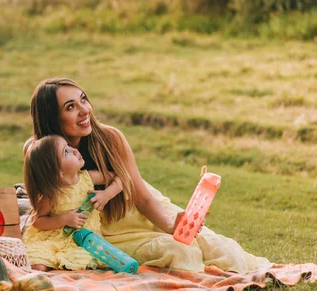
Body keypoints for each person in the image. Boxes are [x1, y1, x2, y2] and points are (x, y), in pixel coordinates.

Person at [24, 77, 271, 273]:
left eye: (83, 100)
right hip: (109, 232)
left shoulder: (110, 138)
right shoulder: (39, 153)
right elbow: (43, 206)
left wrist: (169, 225)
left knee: (220, 250)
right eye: (70, 107)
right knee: (180, 252)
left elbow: (141, 196)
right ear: (52, 118)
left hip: (142, 210)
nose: (84, 110)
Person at [22, 134, 124, 271]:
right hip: (55, 237)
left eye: (69, 146)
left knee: (79, 260)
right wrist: (64, 219)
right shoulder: (52, 194)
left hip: (82, 239)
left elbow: (120, 178)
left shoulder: (87, 178)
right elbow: (38, 221)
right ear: (58, 172)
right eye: (66, 152)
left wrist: (107, 194)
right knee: (37, 264)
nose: (75, 150)